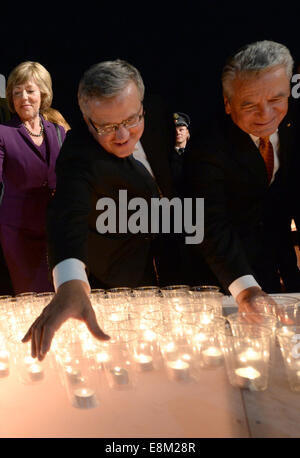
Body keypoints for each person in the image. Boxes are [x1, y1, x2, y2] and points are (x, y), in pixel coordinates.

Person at [23, 59, 185, 360]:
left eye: (131, 120)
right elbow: (66, 213)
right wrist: (70, 283)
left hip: (170, 255)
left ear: (142, 107)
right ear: (87, 120)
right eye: (107, 127)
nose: (123, 136)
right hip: (115, 275)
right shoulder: (79, 152)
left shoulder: (159, 114)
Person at [184, 40, 300, 313]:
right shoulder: (207, 146)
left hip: (281, 267)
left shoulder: (294, 128)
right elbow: (208, 223)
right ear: (228, 104)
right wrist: (246, 289)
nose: (266, 115)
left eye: (276, 99)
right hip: (224, 278)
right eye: (250, 105)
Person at [0, 61, 66, 295]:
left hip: (56, 232)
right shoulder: (3, 133)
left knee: (62, 296)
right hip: (19, 234)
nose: (23, 98)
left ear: (43, 93)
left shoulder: (58, 132)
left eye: (29, 91)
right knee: (35, 298)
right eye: (17, 93)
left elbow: (70, 178)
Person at [170, 112, 191, 195]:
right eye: (175, 130)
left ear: (187, 132)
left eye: (181, 129)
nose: (178, 133)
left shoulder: (194, 155)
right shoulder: (167, 157)